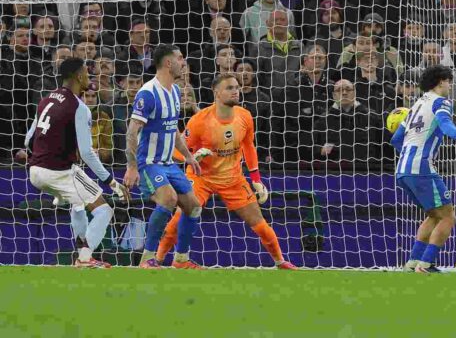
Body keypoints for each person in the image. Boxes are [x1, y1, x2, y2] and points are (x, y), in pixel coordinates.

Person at [155, 74, 296, 269]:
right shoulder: (199, 121)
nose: (235, 91)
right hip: (201, 177)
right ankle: (158, 260)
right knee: (181, 216)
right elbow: (174, 151)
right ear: (216, 93)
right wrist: (193, 158)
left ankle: (281, 261)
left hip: (233, 179)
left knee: (259, 223)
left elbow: (249, 146)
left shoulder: (244, 115)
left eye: (236, 87)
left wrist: (256, 179)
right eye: (229, 88)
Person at [24, 57, 129, 268]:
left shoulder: (46, 100)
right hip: (59, 172)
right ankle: (84, 258)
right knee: (103, 210)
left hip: (35, 171)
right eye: (87, 73)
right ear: (79, 76)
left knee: (79, 205)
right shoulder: (79, 107)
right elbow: (87, 153)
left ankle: (64, 201)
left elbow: (28, 141)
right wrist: (111, 182)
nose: (89, 77)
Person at [123, 45, 205, 269]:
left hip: (170, 164)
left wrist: (188, 156)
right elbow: (132, 132)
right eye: (180, 58)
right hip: (149, 163)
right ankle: (147, 258)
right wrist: (132, 167)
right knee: (168, 199)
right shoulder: (148, 93)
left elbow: (173, 130)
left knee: (193, 207)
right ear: (168, 63)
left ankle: (181, 259)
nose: (183, 63)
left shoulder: (176, 92)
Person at [391, 65, 456, 273]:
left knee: (434, 215)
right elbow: (445, 122)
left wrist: (411, 156)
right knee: (448, 216)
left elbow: (396, 139)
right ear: (440, 82)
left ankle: (413, 263)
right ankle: (426, 264)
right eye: (449, 81)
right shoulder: (441, 102)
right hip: (421, 168)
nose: (450, 85)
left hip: (403, 170)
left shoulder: (416, 104)